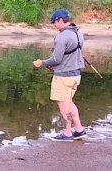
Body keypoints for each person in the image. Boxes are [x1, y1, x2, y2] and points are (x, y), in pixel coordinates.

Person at [33, 9, 87, 142]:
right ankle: (79, 130)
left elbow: (56, 59)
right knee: (69, 102)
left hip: (64, 76)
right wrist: (54, 64)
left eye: (54, 22)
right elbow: (70, 53)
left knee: (63, 104)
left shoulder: (62, 36)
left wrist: (42, 62)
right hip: (76, 75)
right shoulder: (78, 32)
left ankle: (67, 133)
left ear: (61, 20)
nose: (54, 25)